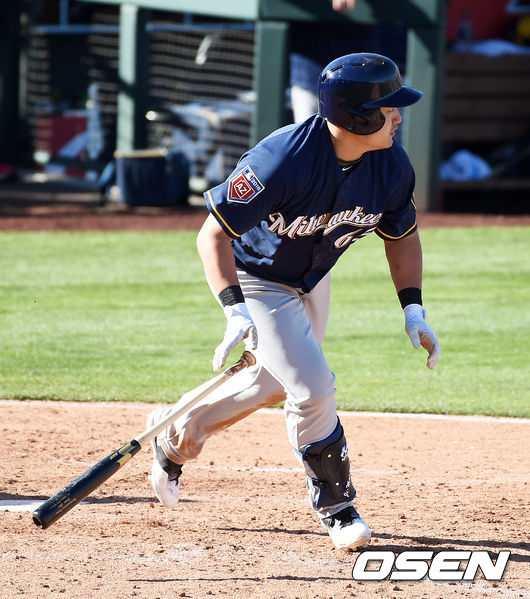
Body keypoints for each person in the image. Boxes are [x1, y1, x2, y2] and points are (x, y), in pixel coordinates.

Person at [147, 52, 441, 551]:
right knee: (313, 387)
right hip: (258, 279)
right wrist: (234, 307)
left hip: (312, 278)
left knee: (270, 385)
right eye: (389, 108)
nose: (398, 117)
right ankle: (338, 507)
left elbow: (401, 236)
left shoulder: (391, 164)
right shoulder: (282, 159)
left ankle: (174, 435)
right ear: (357, 118)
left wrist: (413, 307)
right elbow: (211, 234)